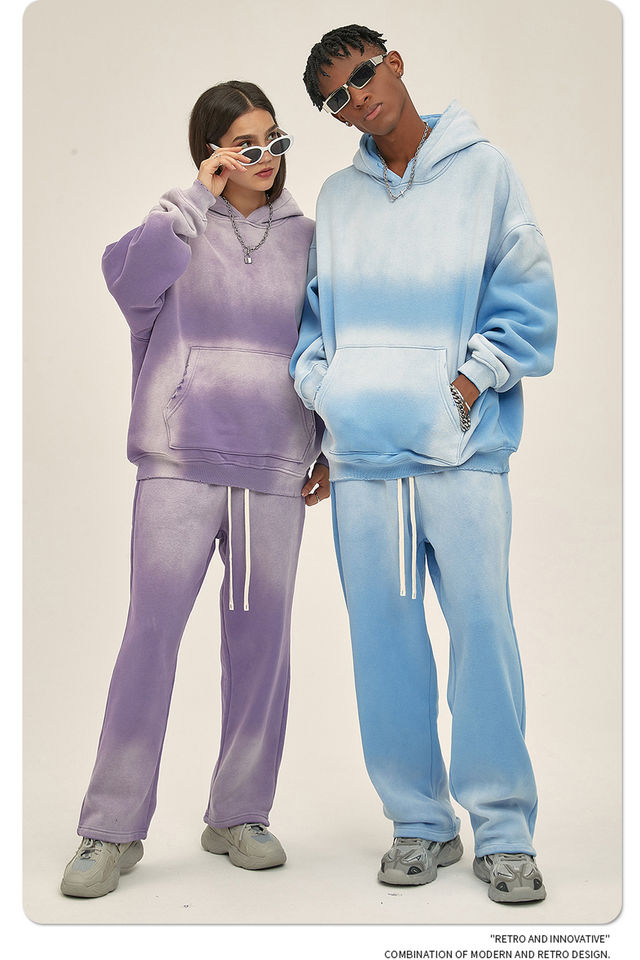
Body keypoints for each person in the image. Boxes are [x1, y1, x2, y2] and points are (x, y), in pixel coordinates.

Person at [292, 24, 557, 904]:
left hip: (463, 456)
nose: (358, 98)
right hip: (366, 465)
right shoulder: (337, 199)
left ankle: (504, 833)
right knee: (384, 648)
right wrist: (328, 397)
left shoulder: (485, 172)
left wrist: (467, 386)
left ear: (394, 63)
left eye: (364, 76)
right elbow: (312, 324)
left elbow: (527, 296)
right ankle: (419, 823)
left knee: (484, 636)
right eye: (337, 98)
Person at [60, 80, 330, 899]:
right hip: (178, 464)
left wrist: (329, 442)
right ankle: (110, 828)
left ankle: (239, 813)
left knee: (260, 646)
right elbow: (125, 283)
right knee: (150, 637)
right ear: (213, 152)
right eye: (245, 144)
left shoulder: (311, 240)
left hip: (270, 469)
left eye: (274, 140)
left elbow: (328, 345)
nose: (265, 157)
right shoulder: (172, 226)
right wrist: (191, 203)